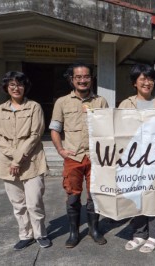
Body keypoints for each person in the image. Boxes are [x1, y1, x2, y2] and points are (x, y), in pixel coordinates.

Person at [49, 63, 108, 248]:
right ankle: (74, 232)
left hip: (95, 157)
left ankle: (93, 229)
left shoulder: (101, 101)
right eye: (78, 77)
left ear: (91, 78)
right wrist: (61, 150)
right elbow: (55, 129)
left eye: (86, 76)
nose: (83, 80)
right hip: (73, 157)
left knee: (95, 196)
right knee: (73, 197)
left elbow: (109, 129)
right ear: (72, 79)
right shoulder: (62, 102)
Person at [0, 71, 51, 251]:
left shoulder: (34, 107)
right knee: (18, 205)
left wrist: (17, 160)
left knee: (34, 203)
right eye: (12, 85)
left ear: (25, 87)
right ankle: (26, 235)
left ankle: (41, 234)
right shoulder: (0, 109)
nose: (16, 88)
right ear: (6, 88)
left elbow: (35, 135)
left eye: (20, 84)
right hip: (8, 164)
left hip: (32, 162)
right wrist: (13, 158)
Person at [119, 63, 155, 253]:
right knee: (136, 196)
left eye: (151, 79)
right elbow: (117, 132)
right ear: (134, 83)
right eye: (143, 79)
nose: (147, 82)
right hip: (133, 160)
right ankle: (139, 233)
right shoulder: (125, 104)